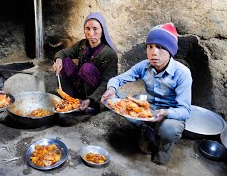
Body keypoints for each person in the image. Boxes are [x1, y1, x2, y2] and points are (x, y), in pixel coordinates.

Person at [101, 23, 193, 164]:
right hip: (150, 110)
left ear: (170, 51)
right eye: (150, 47)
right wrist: (111, 89)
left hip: (171, 115)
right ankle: (147, 129)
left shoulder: (182, 73)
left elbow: (185, 110)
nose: (154, 52)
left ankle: (165, 146)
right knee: (120, 104)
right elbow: (118, 79)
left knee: (168, 129)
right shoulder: (144, 66)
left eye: (160, 47)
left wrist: (166, 113)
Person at [52, 12, 117, 113]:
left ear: (102, 30)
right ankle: (71, 98)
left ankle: (90, 104)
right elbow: (63, 52)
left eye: (95, 29)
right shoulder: (82, 44)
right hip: (80, 86)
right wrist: (58, 60)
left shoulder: (110, 54)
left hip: (95, 92)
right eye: (88, 29)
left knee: (87, 68)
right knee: (65, 62)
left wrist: (91, 99)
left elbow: (107, 83)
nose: (91, 34)